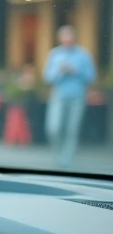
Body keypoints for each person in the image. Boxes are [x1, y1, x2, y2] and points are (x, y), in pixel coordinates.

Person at [43, 25, 95, 167]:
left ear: (74, 38)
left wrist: (75, 70)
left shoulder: (83, 55)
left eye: (69, 36)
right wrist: (60, 70)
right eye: (63, 36)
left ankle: (66, 161)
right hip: (59, 96)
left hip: (77, 97)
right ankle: (58, 154)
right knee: (54, 128)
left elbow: (91, 76)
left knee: (72, 130)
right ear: (59, 38)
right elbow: (47, 77)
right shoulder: (54, 54)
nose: (66, 39)